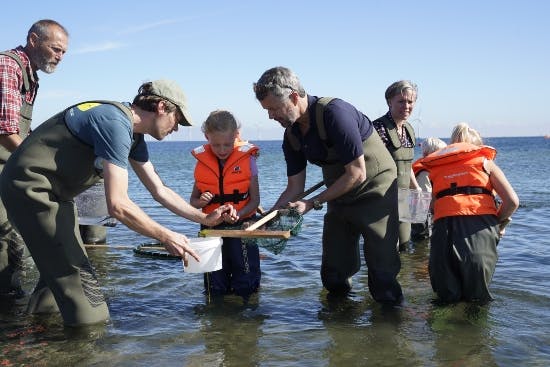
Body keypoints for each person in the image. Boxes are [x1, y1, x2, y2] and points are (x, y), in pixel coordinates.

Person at [0, 80, 238, 326]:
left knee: (57, 278)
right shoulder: (114, 123)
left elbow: (159, 190)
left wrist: (204, 218)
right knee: (90, 304)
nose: (177, 128)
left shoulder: (132, 135)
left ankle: (33, 337)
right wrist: (167, 236)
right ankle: (83, 348)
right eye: (177, 119)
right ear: (161, 107)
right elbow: (119, 205)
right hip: (30, 190)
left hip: (56, 197)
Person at [252, 66, 403, 304]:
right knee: (333, 275)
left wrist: (312, 203)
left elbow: (356, 173)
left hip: (375, 191)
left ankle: (390, 330)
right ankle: (340, 330)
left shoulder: (335, 113)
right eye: (267, 110)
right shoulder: (291, 135)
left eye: (273, 108)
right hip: (339, 195)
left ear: (293, 97)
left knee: (383, 276)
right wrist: (267, 218)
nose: (270, 116)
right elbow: (294, 188)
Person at [0, 19, 69, 298]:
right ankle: (7, 306)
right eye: (55, 49)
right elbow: (6, 130)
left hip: (9, 165)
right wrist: (40, 166)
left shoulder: (31, 75)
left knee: (16, 233)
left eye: (64, 52)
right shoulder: (8, 66)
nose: (59, 57)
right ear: (33, 40)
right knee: (5, 235)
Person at [419, 123, 519, 303]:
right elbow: (512, 201)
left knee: (446, 299)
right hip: (479, 230)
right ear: (476, 146)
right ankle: (475, 330)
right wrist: (497, 222)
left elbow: (433, 206)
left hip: (443, 230)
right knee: (477, 300)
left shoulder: (436, 167)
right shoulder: (484, 162)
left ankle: (443, 330)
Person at [190, 110, 261, 301]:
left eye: (227, 145)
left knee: (245, 283)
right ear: (207, 138)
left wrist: (238, 213)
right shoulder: (204, 163)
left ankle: (245, 322)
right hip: (210, 227)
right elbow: (193, 202)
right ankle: (216, 325)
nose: (221, 150)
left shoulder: (249, 161)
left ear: (236, 136)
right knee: (214, 285)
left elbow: (255, 200)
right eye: (216, 145)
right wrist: (202, 201)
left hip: (242, 226)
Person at [373, 80, 421, 250]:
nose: (406, 106)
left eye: (410, 101)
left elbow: (407, 166)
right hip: (384, 199)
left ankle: (406, 277)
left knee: (406, 246)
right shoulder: (378, 128)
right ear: (389, 102)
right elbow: (371, 167)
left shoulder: (409, 129)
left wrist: (416, 188)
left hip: (406, 198)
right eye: (401, 101)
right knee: (386, 249)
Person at [410, 137, 447, 241]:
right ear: (429, 154)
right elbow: (426, 195)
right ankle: (421, 257)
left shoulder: (426, 169)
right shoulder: (424, 172)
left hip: (421, 213)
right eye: (441, 153)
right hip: (422, 215)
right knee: (423, 240)